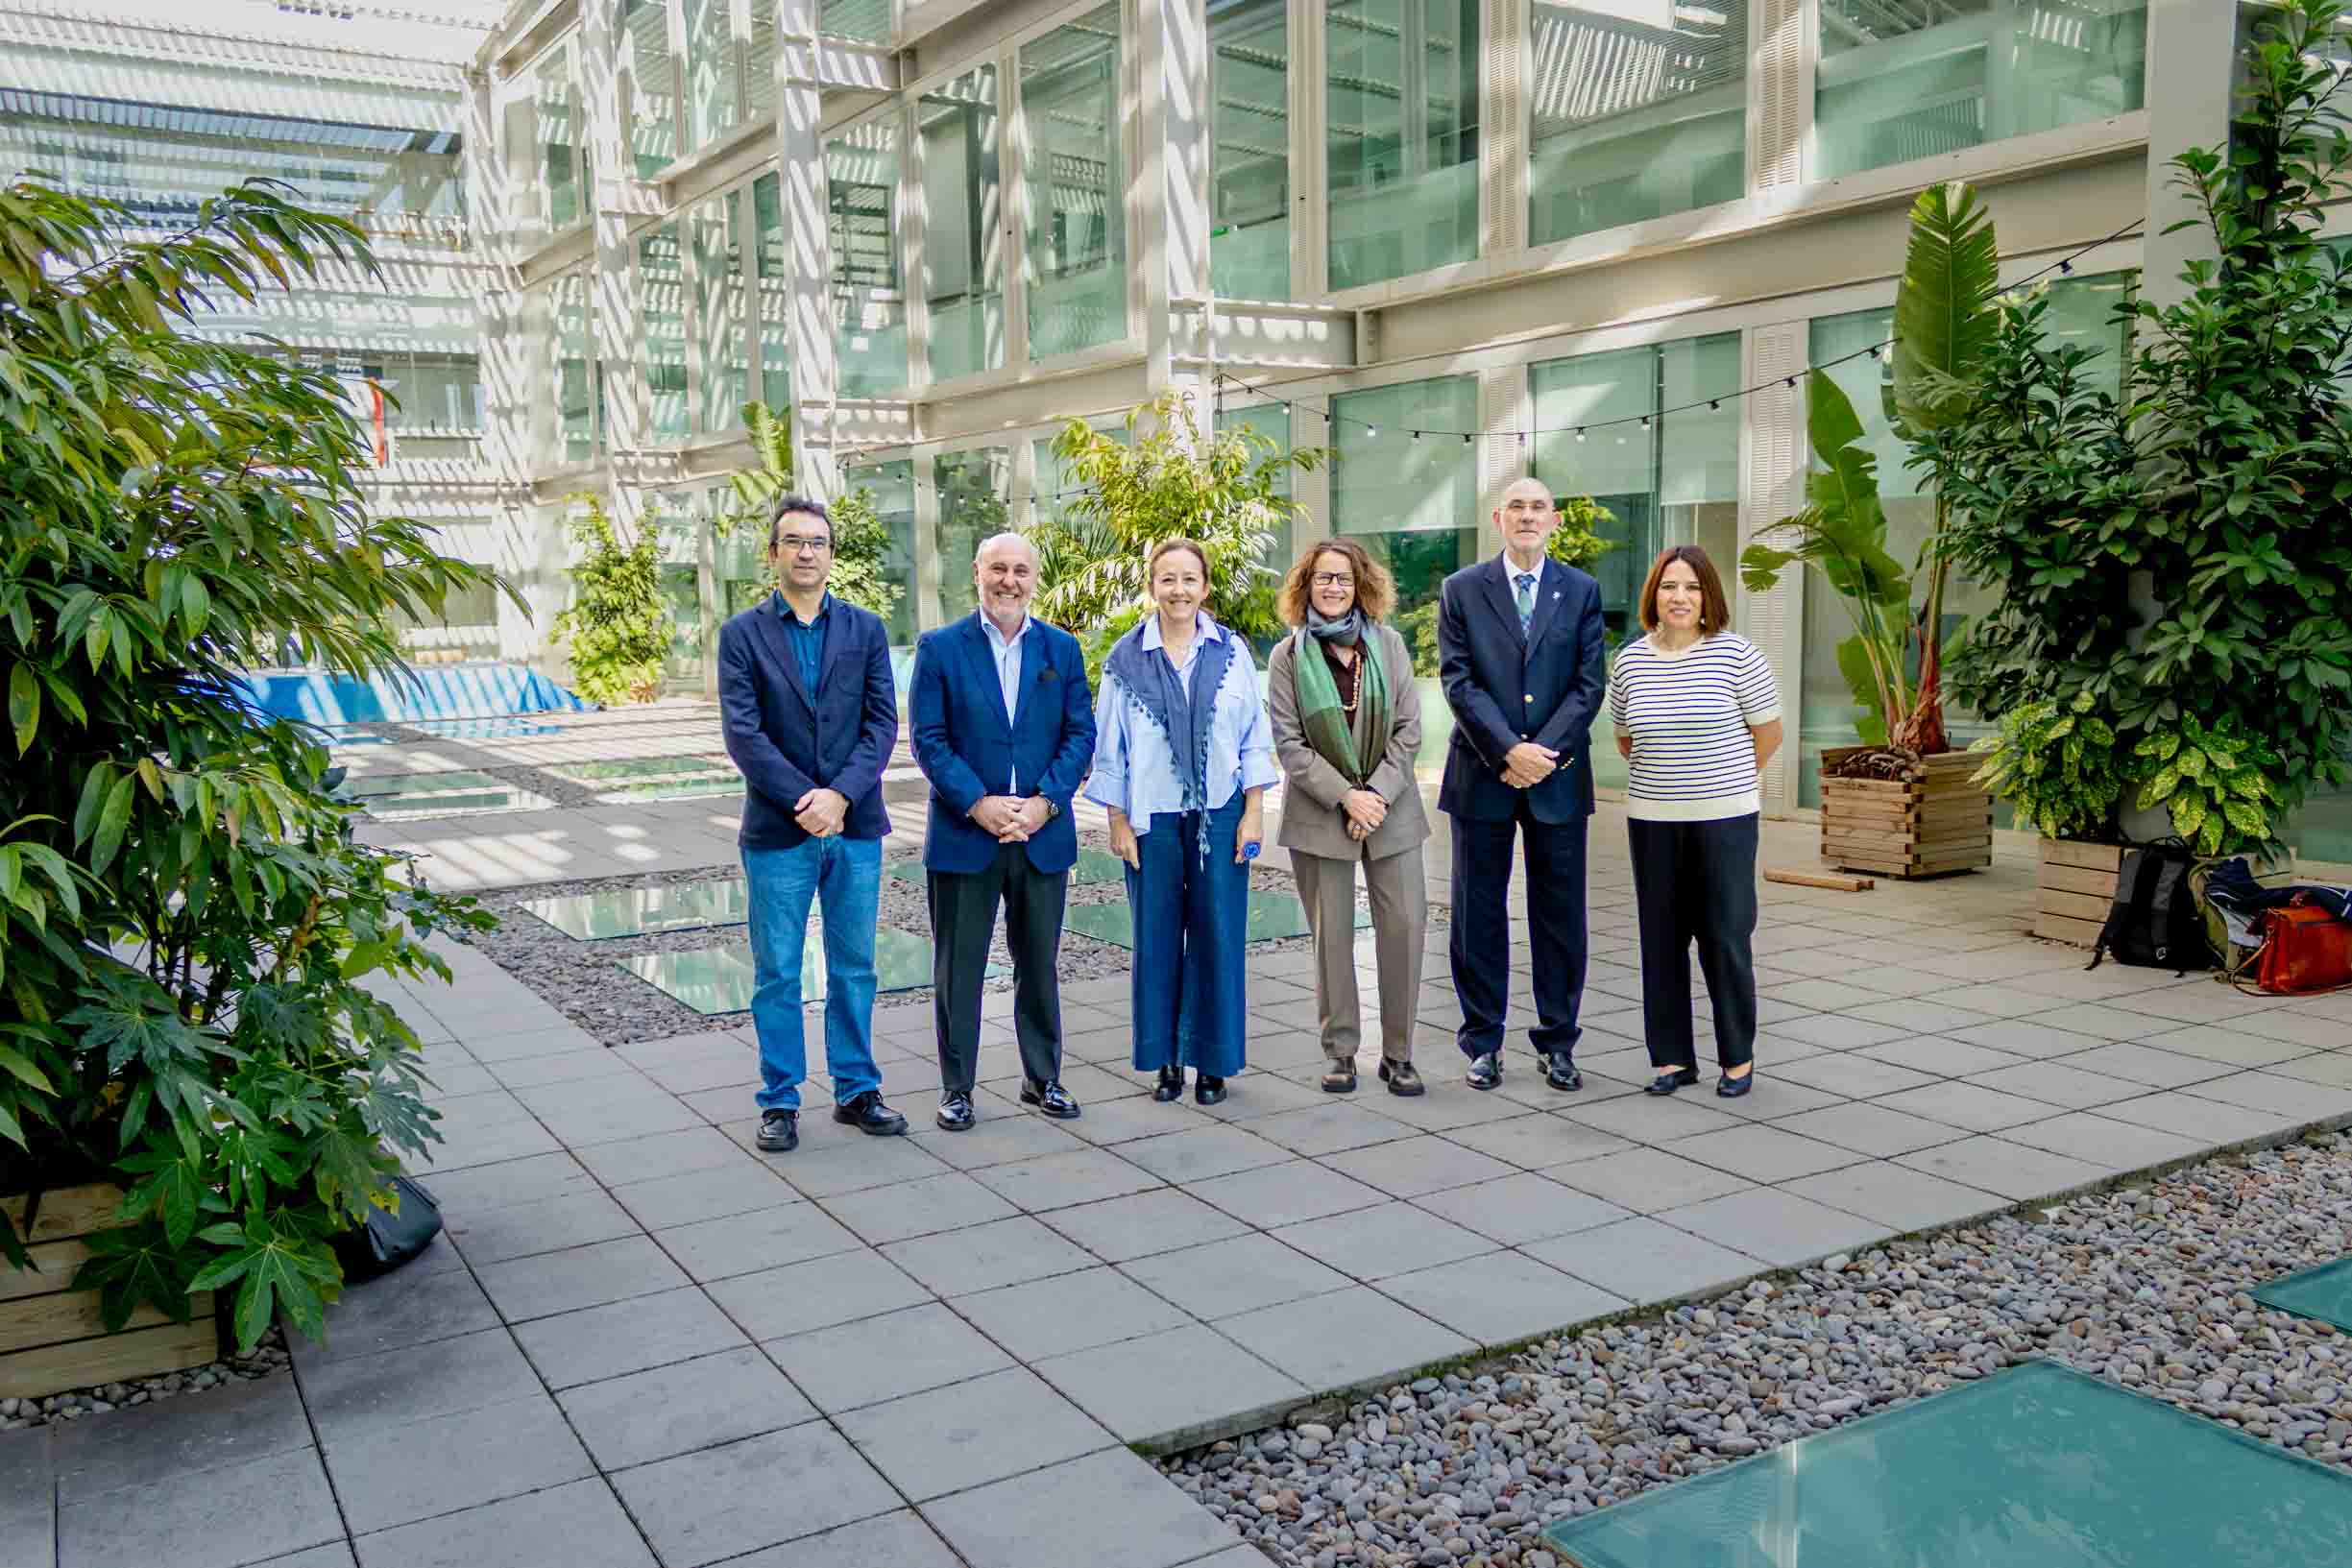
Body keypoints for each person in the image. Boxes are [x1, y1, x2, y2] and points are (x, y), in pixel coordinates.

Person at [716, 495, 909, 1153]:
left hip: (855, 829)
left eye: (817, 541)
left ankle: (857, 1089)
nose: (806, 552)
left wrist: (842, 798)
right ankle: (780, 1098)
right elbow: (744, 734)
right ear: (772, 554)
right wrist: (808, 799)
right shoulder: (741, 635)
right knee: (777, 970)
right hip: (778, 830)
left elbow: (882, 723)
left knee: (854, 963)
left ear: (831, 554)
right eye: (793, 541)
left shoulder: (865, 629)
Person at [909, 533, 1097, 1131]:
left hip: (1040, 836)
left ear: (1033, 578)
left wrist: (1046, 802)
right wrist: (977, 803)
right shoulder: (940, 649)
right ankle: (956, 1088)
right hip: (967, 837)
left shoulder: (1061, 650)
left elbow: (1079, 736)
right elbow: (928, 740)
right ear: (977, 573)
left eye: (1019, 570)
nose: (1008, 581)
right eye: (998, 569)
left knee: (1038, 963)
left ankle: (1043, 1079)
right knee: (958, 968)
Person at [1086, 539, 1277, 1105]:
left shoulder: (1232, 653)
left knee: (1219, 938)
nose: (1178, 590)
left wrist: (1253, 813)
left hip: (1220, 815)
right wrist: (1118, 822)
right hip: (1152, 821)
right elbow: (1110, 750)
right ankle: (1166, 1059)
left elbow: (1254, 738)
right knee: (1157, 939)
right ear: (1152, 586)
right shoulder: (1125, 659)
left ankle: (1213, 1063)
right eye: (1167, 579)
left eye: (1189, 579)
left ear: (1205, 587)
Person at [1437, 477, 1607, 1093]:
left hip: (1557, 779)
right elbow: (1458, 681)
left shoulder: (1581, 590)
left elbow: (1590, 684)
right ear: (1497, 518)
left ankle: (1558, 1043)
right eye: (1517, 507)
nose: (1528, 516)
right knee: (1478, 913)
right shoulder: (1461, 590)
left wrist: (1542, 755)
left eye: (1538, 507)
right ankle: (1483, 1042)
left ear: (1553, 520)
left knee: (1560, 915)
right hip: (1482, 775)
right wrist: (1508, 749)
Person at [1609, 545, 1782, 1098]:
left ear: (1708, 597)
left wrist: (1721, 782)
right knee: (1660, 940)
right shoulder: (1631, 661)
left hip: (1724, 821)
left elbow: (1768, 734)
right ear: (1652, 596)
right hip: (1653, 821)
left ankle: (1737, 1058)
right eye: (1668, 587)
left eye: (1691, 587)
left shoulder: (1738, 656)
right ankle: (1672, 1059)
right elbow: (1625, 738)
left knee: (1725, 937)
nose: (1679, 597)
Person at [1265, 539, 1431, 1096]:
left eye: (1342, 578)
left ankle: (1400, 1054)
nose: (1332, 587)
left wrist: (1375, 795)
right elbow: (1289, 745)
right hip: (1321, 811)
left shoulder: (1388, 644)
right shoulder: (1287, 656)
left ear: (1361, 584)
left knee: (1405, 928)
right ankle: (1340, 1053)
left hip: (1393, 808)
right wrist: (1347, 798)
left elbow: (1410, 730)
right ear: (1305, 586)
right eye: (1321, 578)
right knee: (1331, 939)